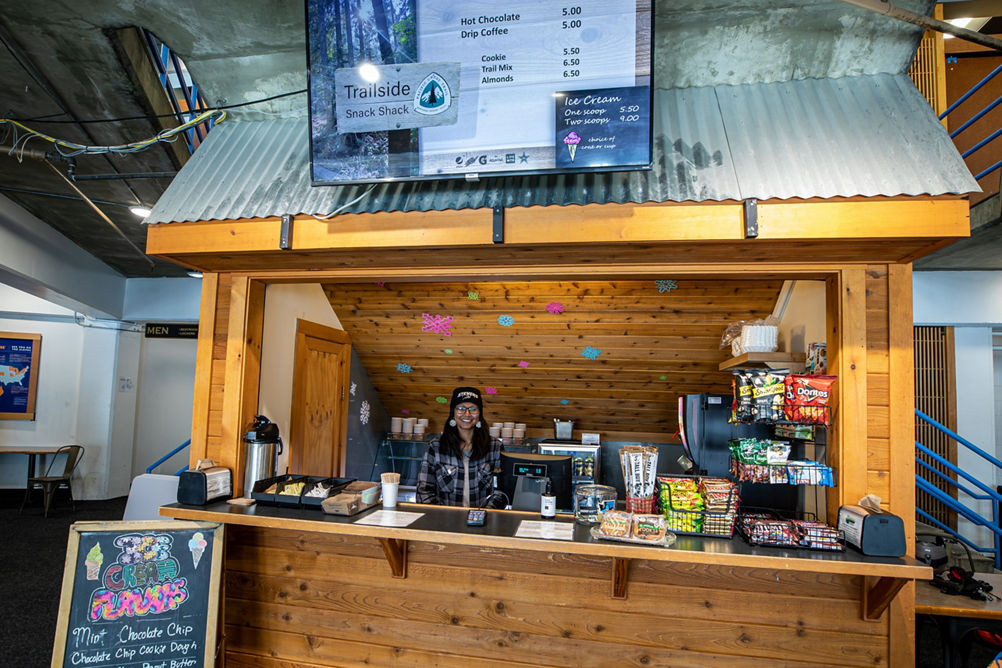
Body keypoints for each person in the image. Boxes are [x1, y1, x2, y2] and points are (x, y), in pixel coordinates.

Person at [416, 386, 503, 507]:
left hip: (483, 521)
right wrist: (440, 518)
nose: (467, 414)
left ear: (479, 414)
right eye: (461, 408)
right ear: (453, 412)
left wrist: (482, 516)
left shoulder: (495, 447)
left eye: (472, 409)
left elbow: (501, 493)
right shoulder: (435, 447)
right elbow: (424, 492)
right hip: (443, 522)